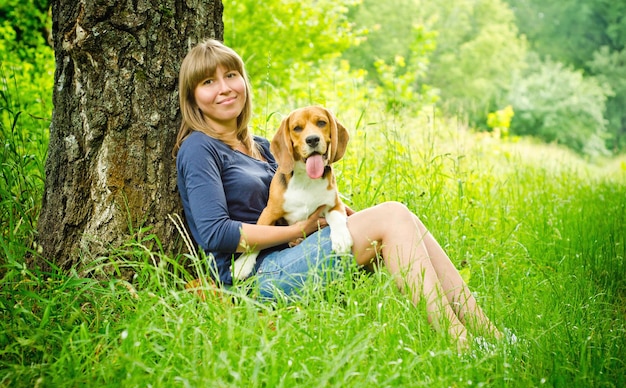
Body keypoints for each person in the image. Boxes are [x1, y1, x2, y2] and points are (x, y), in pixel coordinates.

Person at [173, 39, 502, 350]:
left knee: (403, 218)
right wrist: (299, 231)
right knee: (392, 215)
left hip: (289, 256)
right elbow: (216, 233)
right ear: (192, 97)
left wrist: (356, 219)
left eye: (231, 76)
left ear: (243, 81)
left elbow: (307, 197)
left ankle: (491, 335)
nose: (225, 88)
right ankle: (460, 343)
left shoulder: (260, 146)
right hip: (251, 279)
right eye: (208, 82)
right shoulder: (199, 148)